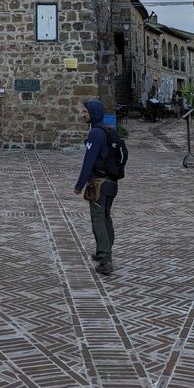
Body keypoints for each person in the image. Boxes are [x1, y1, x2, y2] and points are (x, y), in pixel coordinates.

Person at [73, 99, 117, 276]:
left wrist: (79, 185)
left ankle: (106, 260)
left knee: (98, 219)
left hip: (99, 183)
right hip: (112, 183)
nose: (82, 115)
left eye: (85, 112)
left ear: (93, 113)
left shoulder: (95, 134)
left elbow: (88, 162)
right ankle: (103, 251)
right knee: (105, 217)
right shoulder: (108, 130)